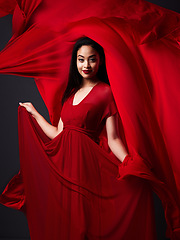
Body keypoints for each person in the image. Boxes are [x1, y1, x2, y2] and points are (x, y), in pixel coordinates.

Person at [13, 37, 158, 239]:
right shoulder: (70, 94)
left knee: (85, 224)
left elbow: (113, 138)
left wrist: (130, 162)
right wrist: (34, 112)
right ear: (75, 62)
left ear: (100, 61)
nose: (86, 65)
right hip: (64, 167)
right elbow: (59, 133)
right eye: (81, 59)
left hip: (87, 166)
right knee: (68, 222)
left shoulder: (105, 92)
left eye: (92, 59)